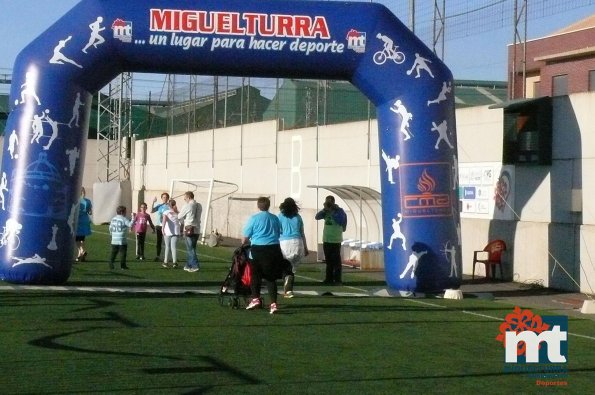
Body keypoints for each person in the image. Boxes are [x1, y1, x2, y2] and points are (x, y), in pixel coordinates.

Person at [242, 196, 286, 314]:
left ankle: (255, 298)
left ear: (258, 205)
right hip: (273, 249)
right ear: (268, 205)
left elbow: (245, 237)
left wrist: (246, 242)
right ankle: (273, 304)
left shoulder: (254, 218)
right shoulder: (275, 218)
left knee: (255, 275)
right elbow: (279, 232)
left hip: (258, 250)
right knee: (270, 278)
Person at [278, 197, 309, 298]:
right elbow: (302, 233)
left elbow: (279, 231)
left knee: (284, 265)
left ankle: (287, 286)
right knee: (292, 267)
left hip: (285, 243)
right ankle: (289, 290)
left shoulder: (281, 216)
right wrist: (305, 247)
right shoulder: (298, 217)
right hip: (298, 242)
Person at [315, 195, 347, 285]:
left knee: (336, 262)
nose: (328, 204)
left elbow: (340, 221)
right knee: (328, 261)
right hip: (326, 239)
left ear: (333, 202)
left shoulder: (340, 211)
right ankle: (328, 278)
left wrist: (332, 211)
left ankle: (337, 280)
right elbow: (317, 217)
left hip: (335, 240)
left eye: (330, 202)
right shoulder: (325, 212)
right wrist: (324, 209)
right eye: (327, 202)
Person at [178, 191, 201, 272]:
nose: (184, 199)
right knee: (192, 248)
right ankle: (188, 265)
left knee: (190, 249)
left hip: (189, 229)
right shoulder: (199, 205)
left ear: (188, 197)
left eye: (185, 198)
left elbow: (179, 216)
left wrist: (176, 211)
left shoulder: (187, 205)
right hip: (197, 229)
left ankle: (195, 265)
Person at [108, 205, 132, 270]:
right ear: (122, 212)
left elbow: (110, 228)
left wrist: (112, 234)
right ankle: (123, 266)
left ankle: (111, 262)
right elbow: (130, 224)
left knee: (114, 252)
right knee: (123, 253)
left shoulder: (113, 219)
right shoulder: (124, 219)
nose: (125, 213)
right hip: (122, 239)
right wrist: (133, 218)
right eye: (125, 212)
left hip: (114, 239)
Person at [161, 199, 181, 269]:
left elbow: (164, 221)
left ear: (169, 205)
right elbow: (181, 222)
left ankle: (166, 262)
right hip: (176, 232)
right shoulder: (177, 213)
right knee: (174, 247)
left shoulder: (166, 212)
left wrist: (162, 228)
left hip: (168, 231)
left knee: (167, 247)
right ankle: (175, 262)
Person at [151, 192, 170, 262]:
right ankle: (158, 256)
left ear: (168, 198)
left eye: (166, 197)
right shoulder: (159, 205)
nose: (165, 198)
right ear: (161, 198)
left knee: (167, 242)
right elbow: (152, 211)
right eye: (163, 197)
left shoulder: (169, 206)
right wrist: (153, 202)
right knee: (158, 241)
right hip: (159, 226)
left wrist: (170, 205)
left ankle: (167, 257)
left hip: (166, 226)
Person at [75, 187, 92, 262]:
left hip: (78, 220)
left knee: (77, 239)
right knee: (82, 238)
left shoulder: (75, 200)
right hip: (85, 220)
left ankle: (82, 250)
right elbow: (90, 212)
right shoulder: (87, 201)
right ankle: (80, 255)